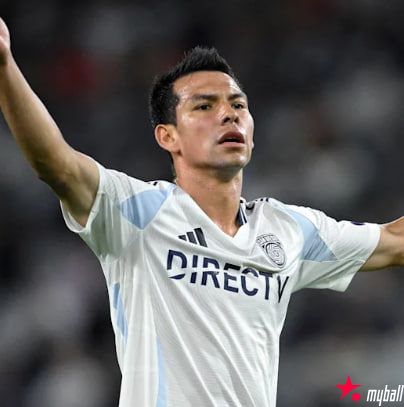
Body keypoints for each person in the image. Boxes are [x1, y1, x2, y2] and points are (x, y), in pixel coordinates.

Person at [0, 16, 403, 407]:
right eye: (204, 106)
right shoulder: (138, 213)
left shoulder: (288, 230)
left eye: (238, 104)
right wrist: (5, 66)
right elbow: (58, 164)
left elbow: (394, 241)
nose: (229, 114)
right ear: (168, 136)